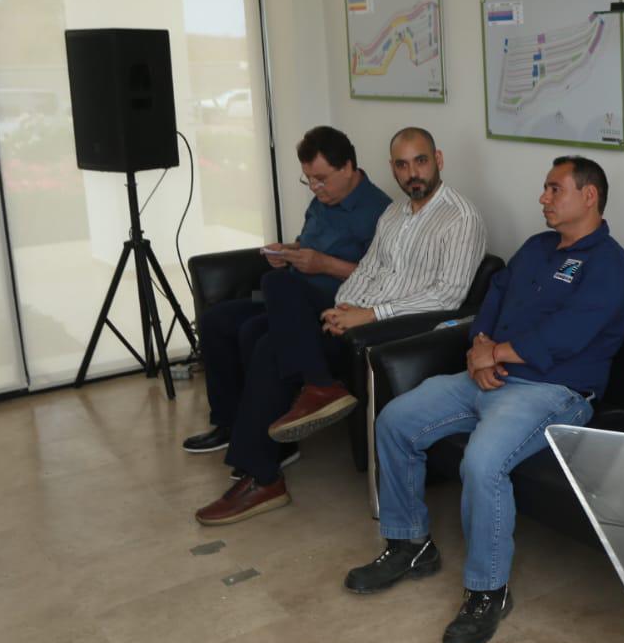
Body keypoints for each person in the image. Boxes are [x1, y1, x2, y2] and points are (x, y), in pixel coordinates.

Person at [344, 156, 624, 643]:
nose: (543, 197)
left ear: (589, 196)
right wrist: (479, 346)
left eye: (555, 189)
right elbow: (494, 300)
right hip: (488, 375)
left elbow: (569, 335)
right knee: (395, 420)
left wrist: (495, 354)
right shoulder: (537, 247)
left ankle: (488, 591)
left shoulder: (609, 264)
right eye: (545, 188)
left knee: (482, 462)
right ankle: (410, 544)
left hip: (552, 392)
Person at [193, 127, 487, 526]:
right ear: (392, 168)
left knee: (273, 328)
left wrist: (368, 315)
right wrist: (342, 306)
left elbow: (447, 297)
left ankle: (270, 462)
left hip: (393, 333)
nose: (412, 173)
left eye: (420, 161)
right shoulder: (395, 214)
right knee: (272, 316)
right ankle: (270, 463)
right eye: (402, 165)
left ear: (438, 159)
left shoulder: (461, 217)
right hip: (357, 316)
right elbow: (368, 271)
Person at [182, 126, 390, 462]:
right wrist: (288, 252)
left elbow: (384, 279)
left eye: (321, 179)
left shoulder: (380, 212)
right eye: (308, 180)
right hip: (289, 297)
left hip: (328, 305)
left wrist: (324, 264)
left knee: (259, 322)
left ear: (348, 167)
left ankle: (285, 430)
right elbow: (307, 243)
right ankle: (229, 423)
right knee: (216, 320)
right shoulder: (322, 201)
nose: (315, 188)